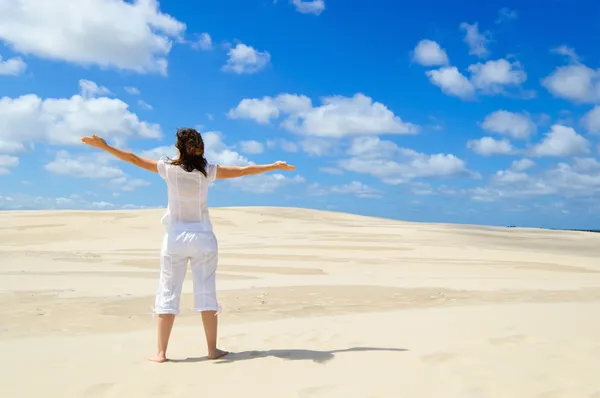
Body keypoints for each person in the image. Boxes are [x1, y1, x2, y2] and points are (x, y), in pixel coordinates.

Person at [81, 128, 296, 363]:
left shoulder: (167, 168)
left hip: (175, 239)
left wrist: (105, 146)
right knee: (206, 292)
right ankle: (212, 351)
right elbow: (243, 171)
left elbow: (133, 158)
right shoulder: (208, 172)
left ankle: (161, 353)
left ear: (178, 147)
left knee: (168, 291)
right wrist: (273, 166)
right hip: (203, 238)